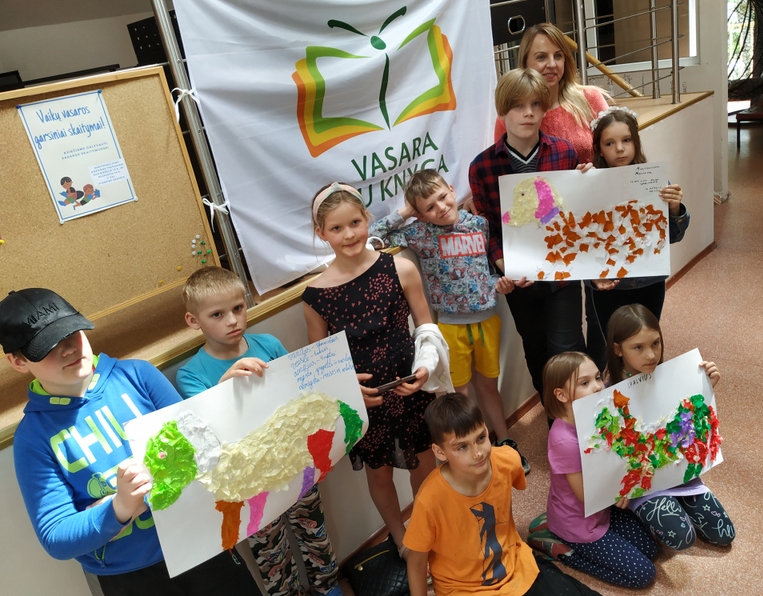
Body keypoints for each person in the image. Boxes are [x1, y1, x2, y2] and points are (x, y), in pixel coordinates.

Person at [0, 288, 262, 595]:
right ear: (17, 361)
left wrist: (218, 402)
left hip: (201, 542)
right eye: (47, 346)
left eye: (71, 333)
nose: (69, 349)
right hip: (130, 576)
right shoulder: (33, 437)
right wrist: (119, 508)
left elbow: (200, 449)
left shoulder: (138, 376)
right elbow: (56, 536)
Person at [176, 266, 343, 596]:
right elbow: (206, 431)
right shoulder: (190, 374)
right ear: (194, 321)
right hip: (250, 483)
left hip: (294, 464)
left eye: (238, 308)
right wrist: (226, 384)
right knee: (271, 554)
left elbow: (300, 397)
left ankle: (328, 587)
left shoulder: (268, 344)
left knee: (315, 534)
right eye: (217, 314)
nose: (232, 320)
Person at [302, 182, 439, 558]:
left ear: (367, 218)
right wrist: (347, 389)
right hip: (366, 402)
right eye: (336, 228)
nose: (348, 234)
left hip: (410, 387)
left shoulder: (401, 268)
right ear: (321, 233)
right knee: (379, 474)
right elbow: (320, 363)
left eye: (355, 223)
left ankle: (427, 529)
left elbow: (426, 328)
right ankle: (400, 537)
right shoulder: (315, 296)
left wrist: (425, 367)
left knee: (425, 465)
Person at [369, 169, 530, 474]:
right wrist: (406, 213)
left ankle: (505, 442)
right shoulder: (420, 232)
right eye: (429, 207)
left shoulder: (479, 224)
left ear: (452, 190)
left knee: (489, 387)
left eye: (443, 197)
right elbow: (373, 238)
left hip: (487, 321)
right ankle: (471, 452)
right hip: (451, 327)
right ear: (420, 213)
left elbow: (484, 272)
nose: (441, 208)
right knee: (461, 394)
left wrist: (499, 285)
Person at [404, 393, 602, 596]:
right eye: (462, 447)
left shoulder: (508, 460)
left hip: (516, 568)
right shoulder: (429, 500)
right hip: (464, 589)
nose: (477, 453)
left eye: (481, 438)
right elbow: (416, 561)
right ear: (440, 452)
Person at [469, 67, 588, 399]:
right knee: (536, 352)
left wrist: (587, 183)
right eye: (519, 106)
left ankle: (578, 419)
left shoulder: (564, 152)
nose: (529, 113)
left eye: (536, 104)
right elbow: (487, 226)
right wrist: (504, 264)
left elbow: (574, 215)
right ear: (502, 111)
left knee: (568, 349)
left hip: (562, 274)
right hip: (520, 280)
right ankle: (556, 420)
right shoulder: (482, 167)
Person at [605, 304, 736, 551]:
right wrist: (616, 489)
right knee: (682, 538)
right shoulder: (607, 397)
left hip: (678, 475)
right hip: (642, 486)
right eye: (638, 347)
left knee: (725, 534)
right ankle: (635, 516)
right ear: (618, 349)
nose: (651, 355)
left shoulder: (673, 378)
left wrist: (705, 389)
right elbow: (605, 454)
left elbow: (687, 425)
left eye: (655, 343)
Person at [541, 351, 658, 588]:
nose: (597, 387)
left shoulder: (594, 415)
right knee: (643, 575)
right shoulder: (564, 440)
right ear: (561, 395)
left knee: (652, 549)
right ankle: (561, 550)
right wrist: (618, 491)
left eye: (597, 378)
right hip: (578, 525)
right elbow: (585, 495)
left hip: (601, 511)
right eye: (584, 383)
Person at [588, 107, 690, 363]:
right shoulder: (589, 184)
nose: (619, 149)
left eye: (626, 140)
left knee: (648, 343)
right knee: (615, 349)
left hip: (649, 282)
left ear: (636, 142)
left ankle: (650, 382)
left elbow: (673, 236)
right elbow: (582, 240)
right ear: (599, 148)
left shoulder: (656, 183)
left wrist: (675, 208)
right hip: (610, 285)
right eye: (610, 143)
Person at [494, 23, 610, 164]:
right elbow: (501, 165)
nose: (552, 64)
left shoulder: (591, 98)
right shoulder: (509, 115)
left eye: (558, 56)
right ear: (525, 62)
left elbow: (617, 153)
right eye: (541, 57)